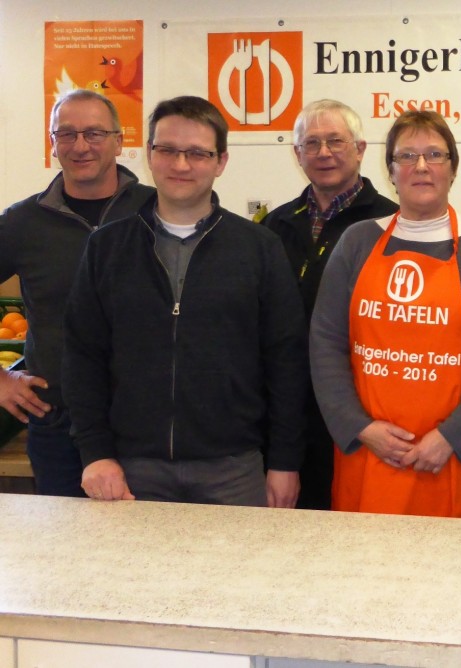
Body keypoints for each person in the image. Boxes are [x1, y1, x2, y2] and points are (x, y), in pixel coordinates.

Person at [61, 96, 309, 506]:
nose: (180, 165)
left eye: (197, 153)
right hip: (130, 468)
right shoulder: (106, 247)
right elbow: (83, 356)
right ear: (149, 155)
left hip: (234, 469)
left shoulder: (260, 248)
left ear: (221, 162)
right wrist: (95, 453)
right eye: (168, 150)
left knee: (240, 571)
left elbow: (286, 362)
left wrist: (285, 461)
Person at [311, 110, 461, 518]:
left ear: (453, 168)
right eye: (406, 156)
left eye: (435, 155)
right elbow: (325, 343)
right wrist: (360, 428)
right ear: (390, 170)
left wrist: (450, 437)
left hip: (454, 458)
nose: (421, 166)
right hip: (370, 456)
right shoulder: (357, 242)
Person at [0, 89, 154, 497]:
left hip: (151, 420)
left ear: (120, 141)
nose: (80, 145)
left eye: (95, 133)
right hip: (56, 422)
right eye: (66, 134)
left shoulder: (158, 211)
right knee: (66, 551)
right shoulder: (21, 222)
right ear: (53, 143)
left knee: (155, 548)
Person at [262, 99, 397, 510]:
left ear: (359, 149)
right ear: (297, 153)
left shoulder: (391, 224)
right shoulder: (273, 227)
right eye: (312, 143)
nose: (324, 153)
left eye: (335, 141)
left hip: (361, 416)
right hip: (285, 415)